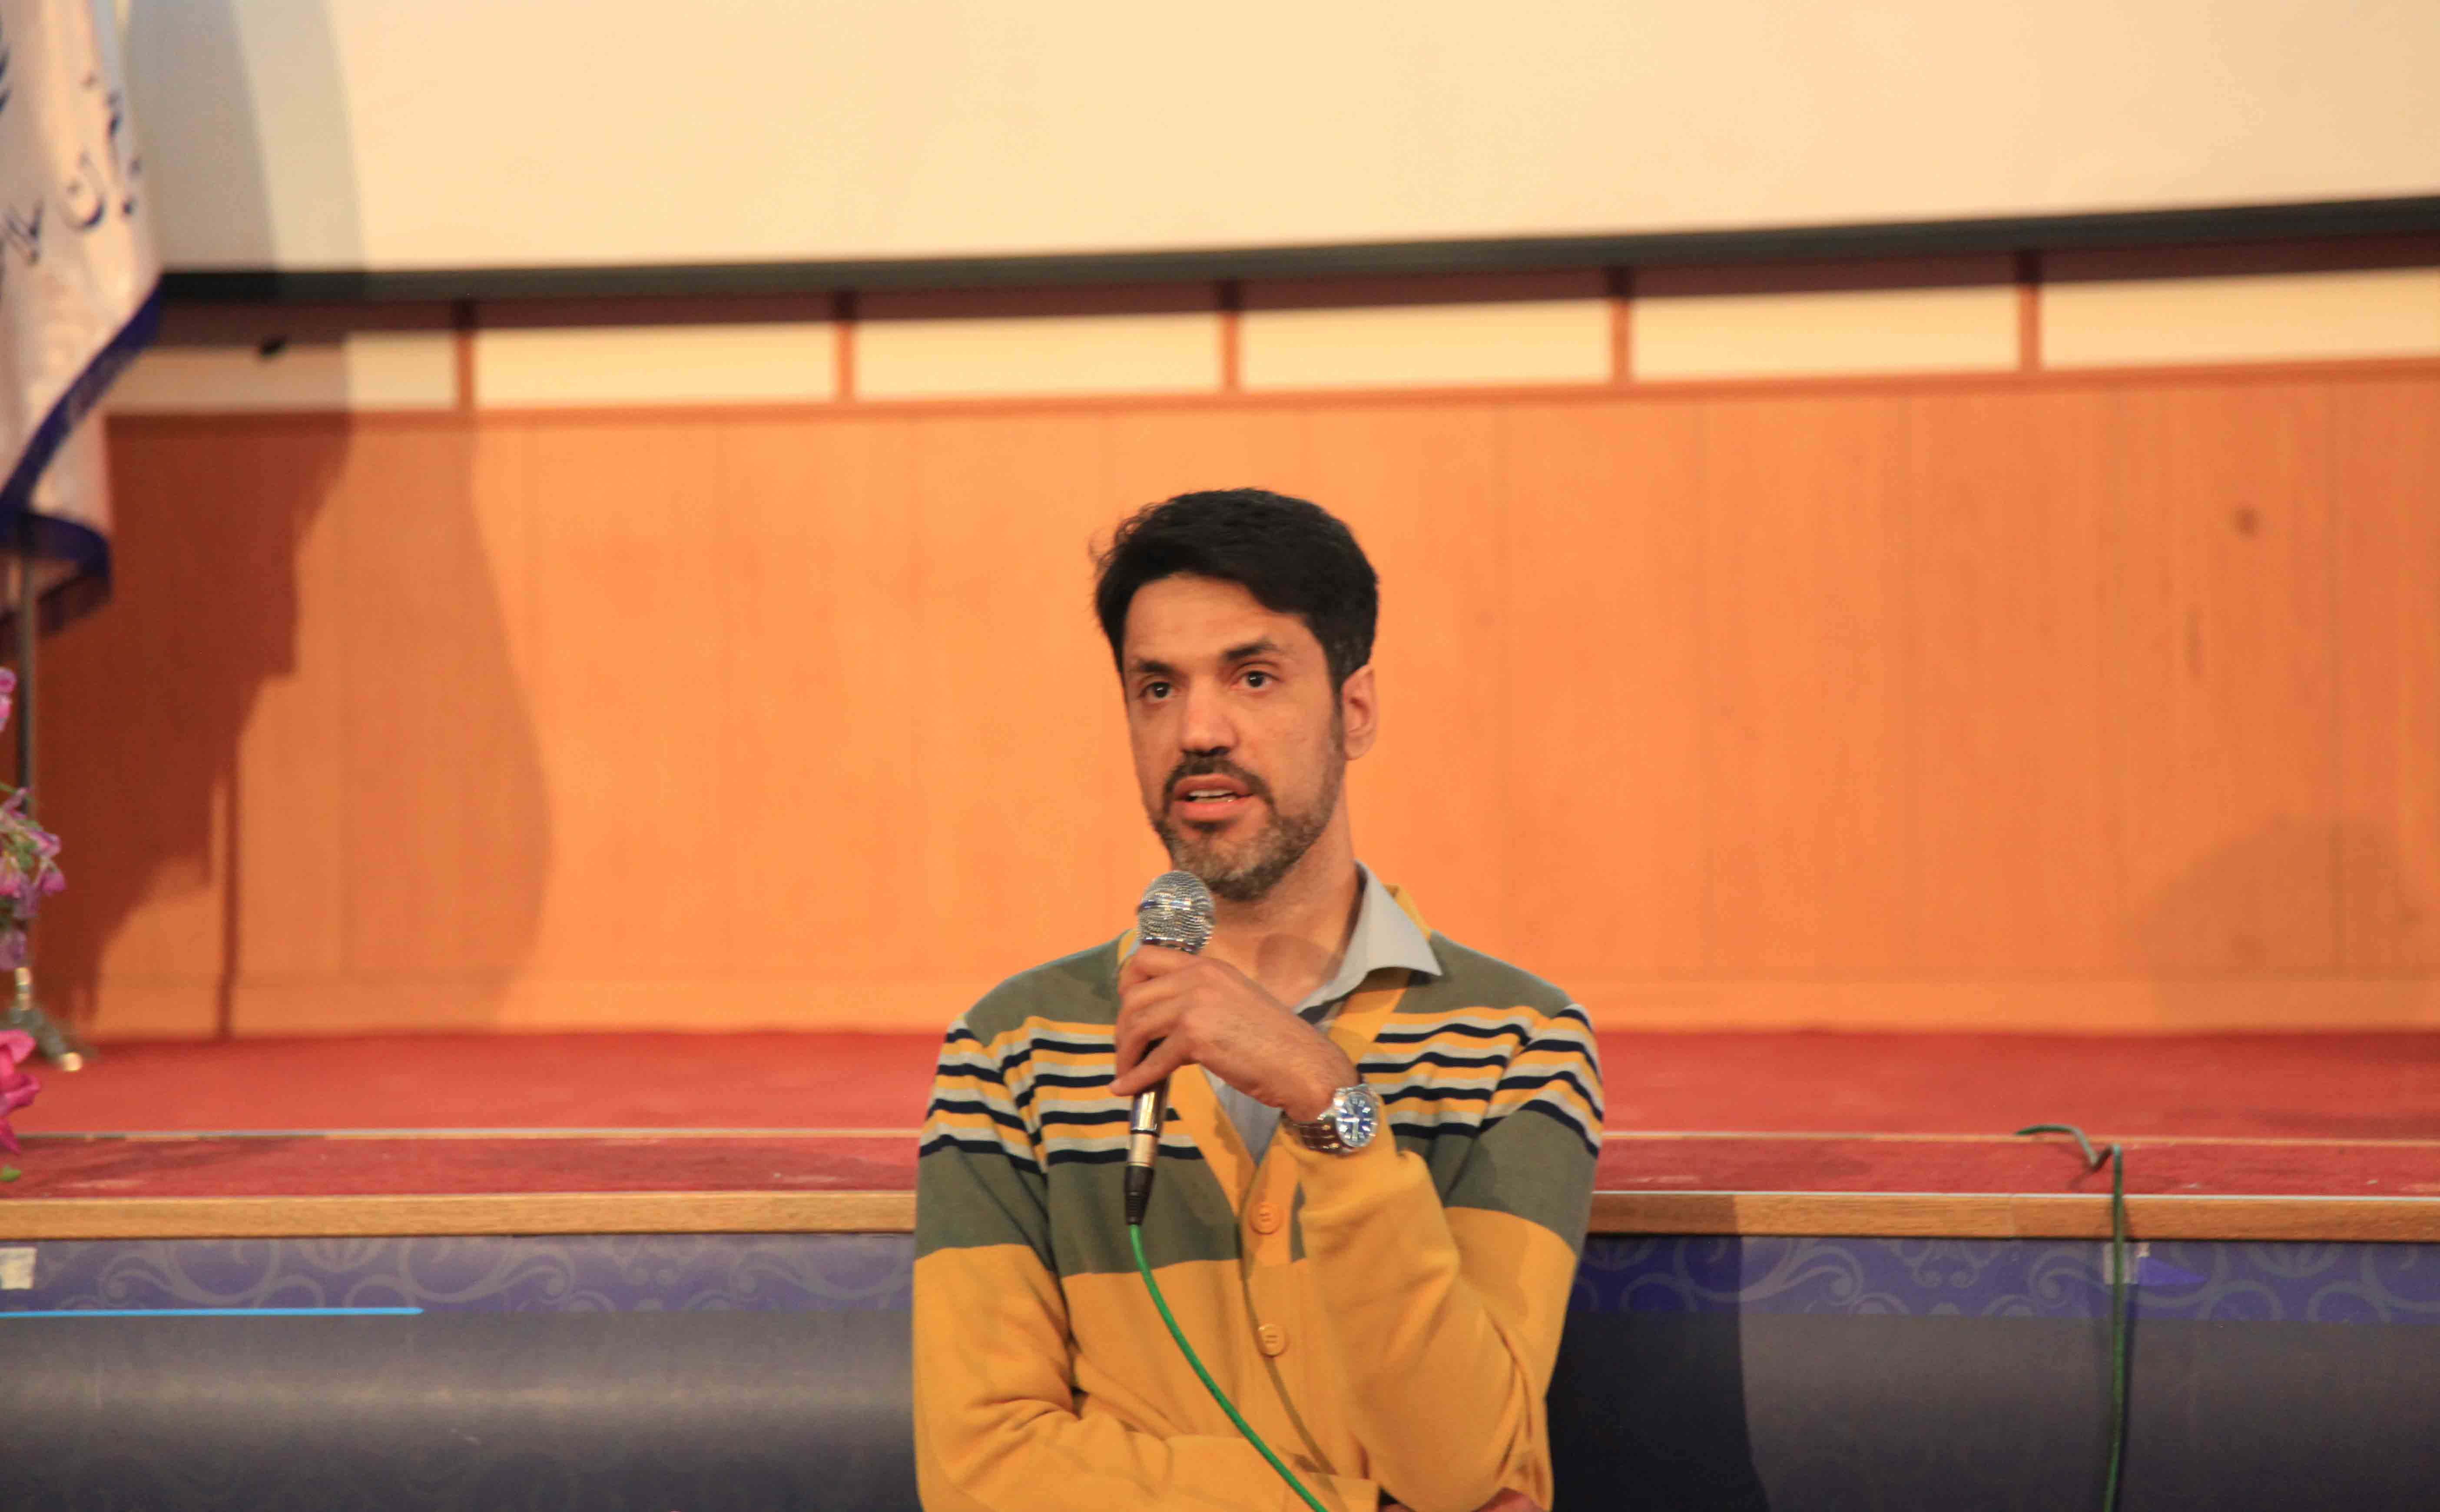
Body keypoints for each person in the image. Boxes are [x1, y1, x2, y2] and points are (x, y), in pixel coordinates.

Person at [912, 488, 1602, 1512]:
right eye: (1157, 688)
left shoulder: (1517, 1041)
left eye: (1254, 677)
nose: (1199, 730)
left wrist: (1332, 1104)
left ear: (1354, 712)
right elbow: (980, 1472)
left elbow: (1461, 1461)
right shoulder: (1011, 1048)